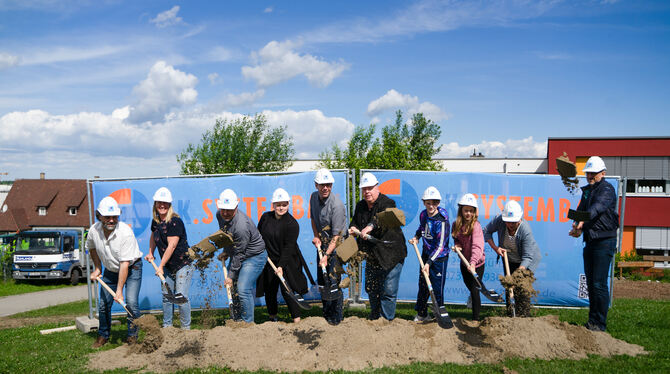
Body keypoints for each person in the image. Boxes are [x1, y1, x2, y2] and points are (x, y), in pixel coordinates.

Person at [569, 156, 619, 332]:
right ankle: (592, 322)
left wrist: (582, 222)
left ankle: (600, 324)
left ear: (603, 173)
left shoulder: (607, 189)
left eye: (593, 173)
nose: (590, 176)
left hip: (604, 241)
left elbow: (596, 209)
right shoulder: (587, 191)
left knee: (599, 283)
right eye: (588, 173)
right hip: (591, 239)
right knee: (591, 283)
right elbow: (581, 210)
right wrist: (576, 226)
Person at [349, 172, 407, 321]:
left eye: (370, 188)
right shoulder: (361, 205)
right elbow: (355, 222)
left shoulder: (387, 203)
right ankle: (375, 318)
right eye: (364, 189)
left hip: (391, 253)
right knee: (371, 288)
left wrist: (370, 226)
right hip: (372, 254)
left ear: (377, 187)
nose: (367, 191)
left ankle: (386, 321)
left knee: (388, 290)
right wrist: (353, 229)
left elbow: (382, 218)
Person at [87, 196, 143, 348]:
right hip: (110, 270)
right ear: (99, 216)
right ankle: (103, 335)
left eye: (114, 217)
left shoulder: (125, 233)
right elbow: (91, 248)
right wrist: (98, 268)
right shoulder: (93, 231)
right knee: (104, 304)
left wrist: (119, 291)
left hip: (132, 269)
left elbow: (124, 264)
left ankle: (132, 336)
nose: (111, 220)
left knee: (130, 302)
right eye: (107, 217)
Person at [256, 188, 309, 323]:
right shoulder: (265, 217)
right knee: (270, 290)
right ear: (273, 205)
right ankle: (272, 317)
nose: (281, 207)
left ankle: (297, 320)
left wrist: (281, 266)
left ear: (288, 204)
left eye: (284, 204)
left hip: (287, 261)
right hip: (268, 260)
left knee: (288, 291)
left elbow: (289, 247)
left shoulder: (292, 224)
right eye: (278, 204)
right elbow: (258, 236)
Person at [144, 187, 194, 329]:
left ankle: (186, 330)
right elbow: (154, 236)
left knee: (180, 297)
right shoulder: (156, 221)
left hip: (182, 264)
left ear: (169, 204)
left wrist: (160, 266)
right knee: (167, 296)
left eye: (165, 203)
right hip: (168, 265)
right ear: (155, 204)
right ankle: (168, 328)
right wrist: (150, 252)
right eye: (159, 202)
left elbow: (171, 246)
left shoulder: (174, 222)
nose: (162, 205)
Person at [216, 188, 268, 323]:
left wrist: (231, 276)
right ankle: (237, 320)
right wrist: (227, 251)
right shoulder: (219, 214)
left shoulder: (241, 226)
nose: (225, 213)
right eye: (223, 209)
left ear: (236, 207)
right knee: (232, 288)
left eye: (229, 210)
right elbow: (227, 234)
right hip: (238, 253)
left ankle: (247, 324)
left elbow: (239, 253)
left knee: (243, 288)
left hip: (254, 256)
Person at [484, 200, 542, 317]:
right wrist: (496, 248)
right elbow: (486, 231)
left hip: (527, 261)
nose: (510, 224)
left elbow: (527, 257)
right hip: (509, 258)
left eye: (514, 222)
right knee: (509, 286)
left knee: (522, 287)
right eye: (508, 222)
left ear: (519, 219)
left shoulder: (525, 230)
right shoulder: (500, 220)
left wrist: (518, 275)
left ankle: (524, 316)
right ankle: (511, 315)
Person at [310, 168, 347, 325]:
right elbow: (313, 218)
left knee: (332, 280)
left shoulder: (337, 206)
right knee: (322, 281)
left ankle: (336, 317)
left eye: (328, 185)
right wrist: (316, 237)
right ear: (316, 185)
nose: (325, 188)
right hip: (323, 244)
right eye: (322, 185)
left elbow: (337, 237)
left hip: (336, 245)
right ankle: (326, 314)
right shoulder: (313, 197)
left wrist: (326, 256)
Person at [408, 186, 450, 322]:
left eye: (434, 203)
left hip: (439, 258)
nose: (431, 206)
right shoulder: (423, 214)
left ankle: (439, 316)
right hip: (426, 254)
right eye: (428, 202)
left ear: (438, 203)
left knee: (436, 288)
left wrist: (429, 263)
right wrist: (417, 237)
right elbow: (422, 228)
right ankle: (422, 314)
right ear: (424, 202)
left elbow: (440, 246)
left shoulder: (442, 221)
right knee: (423, 285)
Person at [452, 193, 485, 321]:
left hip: (477, 264)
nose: (468, 214)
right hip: (464, 263)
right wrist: (457, 245)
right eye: (466, 210)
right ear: (461, 210)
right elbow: (455, 238)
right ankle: (472, 296)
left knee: (475, 290)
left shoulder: (476, 226)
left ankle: (475, 320)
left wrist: (472, 263)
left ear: (474, 212)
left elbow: (477, 246)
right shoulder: (456, 224)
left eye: (471, 211)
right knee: (470, 287)